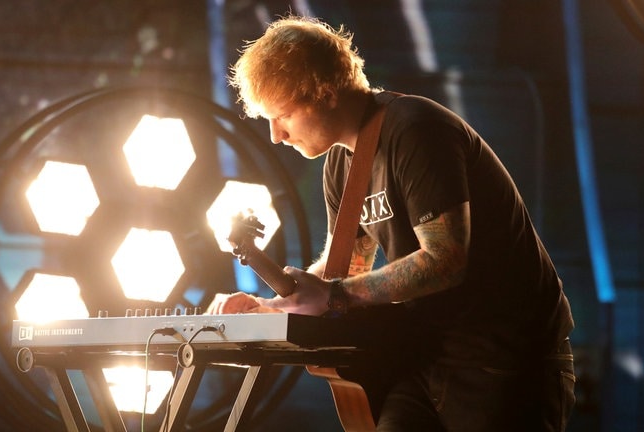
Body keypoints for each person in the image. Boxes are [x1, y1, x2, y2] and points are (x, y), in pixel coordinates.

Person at [208, 15, 575, 431]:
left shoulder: (416, 129)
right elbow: (343, 271)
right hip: (425, 359)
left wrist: (334, 295)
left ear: (326, 93)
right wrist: (273, 307)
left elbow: (446, 260)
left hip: (506, 364)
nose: (276, 135)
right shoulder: (340, 163)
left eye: (284, 115)